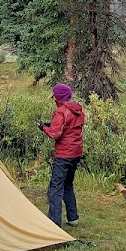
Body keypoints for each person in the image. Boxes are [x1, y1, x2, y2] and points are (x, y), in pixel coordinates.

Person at [37, 83, 85, 228]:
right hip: (76, 153)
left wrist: (44, 128)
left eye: (54, 97)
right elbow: (69, 128)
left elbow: (55, 134)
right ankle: (73, 218)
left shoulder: (61, 111)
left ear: (59, 97)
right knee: (68, 184)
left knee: (55, 188)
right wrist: (50, 125)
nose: (53, 99)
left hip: (64, 154)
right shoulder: (78, 110)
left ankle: (53, 223)